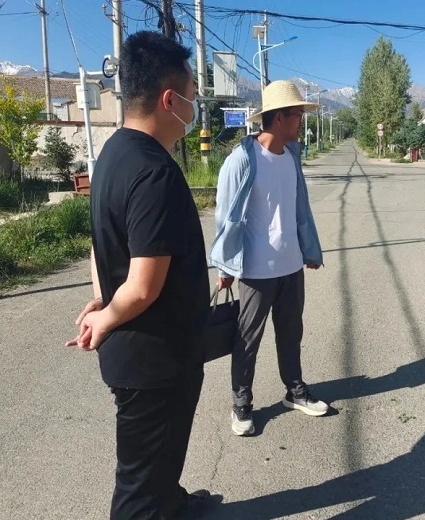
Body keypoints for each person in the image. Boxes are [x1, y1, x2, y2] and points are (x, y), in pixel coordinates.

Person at [65, 31, 211, 518]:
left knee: (160, 461)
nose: (193, 108)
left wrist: (104, 299)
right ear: (170, 100)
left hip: (142, 351)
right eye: (191, 96)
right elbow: (145, 285)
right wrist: (104, 318)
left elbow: (100, 242)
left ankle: (172, 502)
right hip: (155, 360)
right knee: (137, 489)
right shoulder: (154, 173)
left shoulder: (112, 155)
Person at [210, 80, 328, 436]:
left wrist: (308, 249)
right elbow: (225, 217)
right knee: (247, 339)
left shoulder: (291, 157)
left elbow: (298, 209)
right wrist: (225, 266)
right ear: (279, 118)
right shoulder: (241, 161)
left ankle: (295, 390)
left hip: (291, 265)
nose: (302, 121)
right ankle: (241, 403)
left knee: (291, 334)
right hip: (255, 269)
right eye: (298, 114)